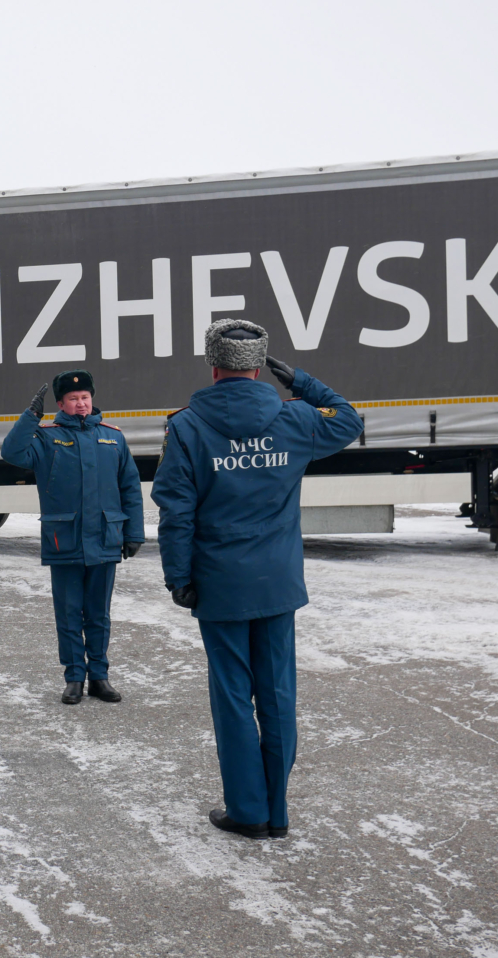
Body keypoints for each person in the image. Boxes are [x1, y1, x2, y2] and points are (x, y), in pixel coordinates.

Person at [151, 319, 361, 839]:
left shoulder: (187, 427)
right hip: (277, 582)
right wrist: (304, 383)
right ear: (260, 365)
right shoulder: (295, 420)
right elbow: (350, 419)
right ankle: (278, 813)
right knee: (278, 695)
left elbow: (176, 511)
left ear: (212, 363)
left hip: (219, 584)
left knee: (232, 698)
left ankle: (248, 811)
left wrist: (179, 576)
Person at [1, 370, 145, 704]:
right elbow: (11, 453)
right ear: (61, 404)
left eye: (85, 398)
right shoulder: (44, 437)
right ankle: (74, 678)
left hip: (106, 539)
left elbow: (130, 488)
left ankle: (99, 676)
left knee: (99, 614)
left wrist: (133, 532)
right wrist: (29, 418)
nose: (81, 404)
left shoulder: (113, 437)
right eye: (73, 399)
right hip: (64, 539)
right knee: (68, 614)